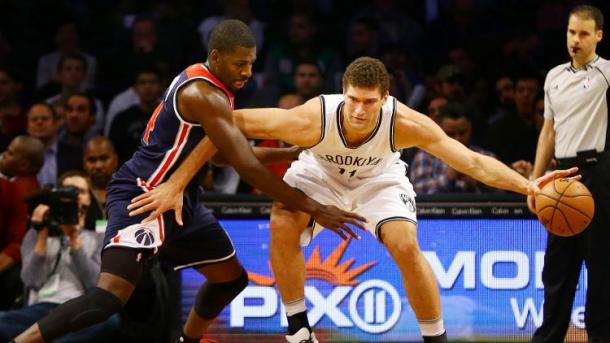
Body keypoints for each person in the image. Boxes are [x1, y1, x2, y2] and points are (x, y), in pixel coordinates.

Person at [130, 57, 577, 343]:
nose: (359, 110)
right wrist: (175, 183)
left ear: (386, 98)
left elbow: (472, 164)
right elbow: (224, 124)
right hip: (319, 173)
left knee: (404, 244)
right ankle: (298, 327)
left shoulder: (406, 123)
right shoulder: (313, 118)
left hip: (378, 180)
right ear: (342, 93)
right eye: (352, 100)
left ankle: (435, 338)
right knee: (282, 217)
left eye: (368, 102)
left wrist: (530, 188)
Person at [12, 19, 364, 343]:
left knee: (231, 279)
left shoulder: (219, 87)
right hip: (146, 194)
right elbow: (247, 168)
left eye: (252, 62)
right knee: (109, 298)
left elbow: (224, 155)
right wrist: (317, 208)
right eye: (240, 63)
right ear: (215, 56)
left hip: (183, 198)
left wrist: (286, 155)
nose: (247, 71)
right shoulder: (203, 95)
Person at [529, 5, 610, 342]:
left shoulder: (608, 72)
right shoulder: (553, 77)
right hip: (561, 179)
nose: (575, 40)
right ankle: (548, 338)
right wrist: (533, 182)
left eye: (583, 34)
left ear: (598, 36)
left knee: (602, 269)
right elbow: (548, 132)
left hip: (599, 175)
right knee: (557, 271)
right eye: (571, 32)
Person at [0, 171, 119, 342]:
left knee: (110, 322)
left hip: (77, 310)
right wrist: (41, 234)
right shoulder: (36, 234)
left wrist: (74, 239)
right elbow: (32, 281)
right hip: (38, 313)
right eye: (69, 190)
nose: (75, 196)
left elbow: (95, 285)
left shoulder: (98, 238)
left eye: (81, 191)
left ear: (89, 199)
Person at [0, 135, 44, 309]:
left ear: (24, 164)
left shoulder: (16, 190)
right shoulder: (30, 187)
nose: (3, 155)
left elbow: (18, 244)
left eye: (10, 153)